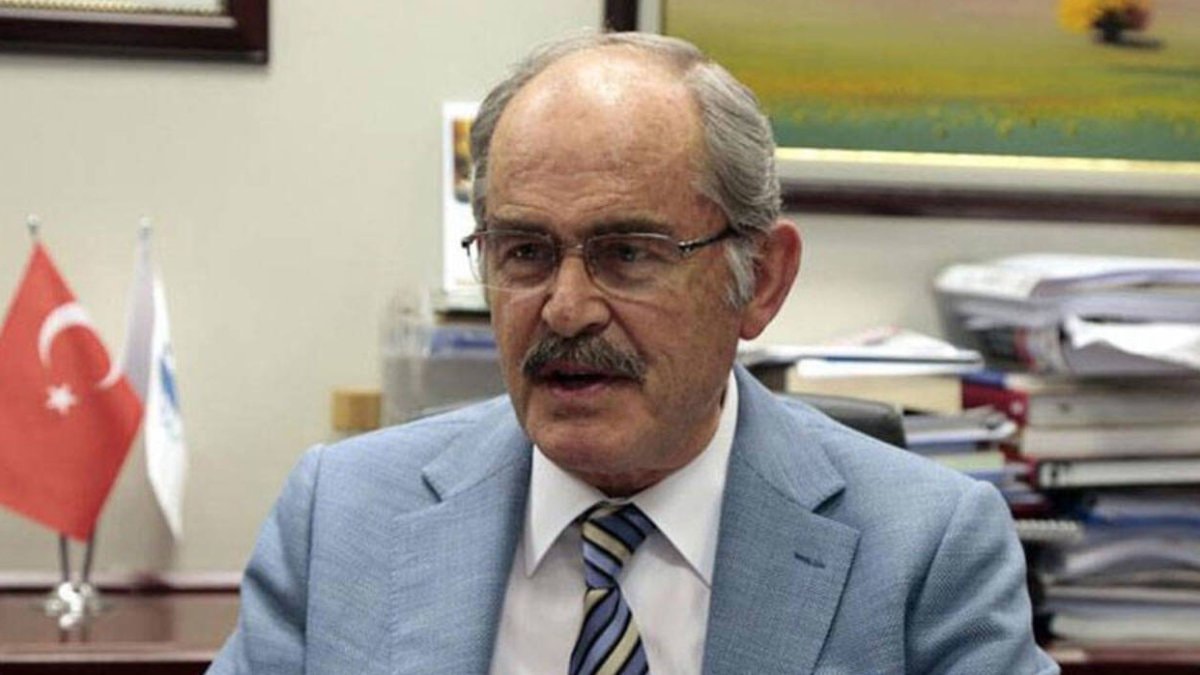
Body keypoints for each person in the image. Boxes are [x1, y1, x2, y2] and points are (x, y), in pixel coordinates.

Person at [209, 32, 1058, 674]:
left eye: (628, 253)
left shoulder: (927, 551)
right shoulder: (341, 517)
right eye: (525, 252)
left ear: (760, 280)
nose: (566, 308)